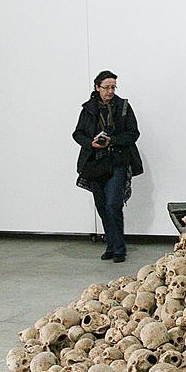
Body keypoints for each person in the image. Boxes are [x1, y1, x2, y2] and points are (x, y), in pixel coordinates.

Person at [73, 70, 143, 262]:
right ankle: (111, 245)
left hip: (117, 161)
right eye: (107, 87)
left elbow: (133, 133)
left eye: (113, 87)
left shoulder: (123, 107)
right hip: (95, 163)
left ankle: (119, 248)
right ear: (97, 87)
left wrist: (112, 140)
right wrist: (91, 143)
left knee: (113, 204)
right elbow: (77, 134)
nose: (110, 91)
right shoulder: (88, 109)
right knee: (102, 206)